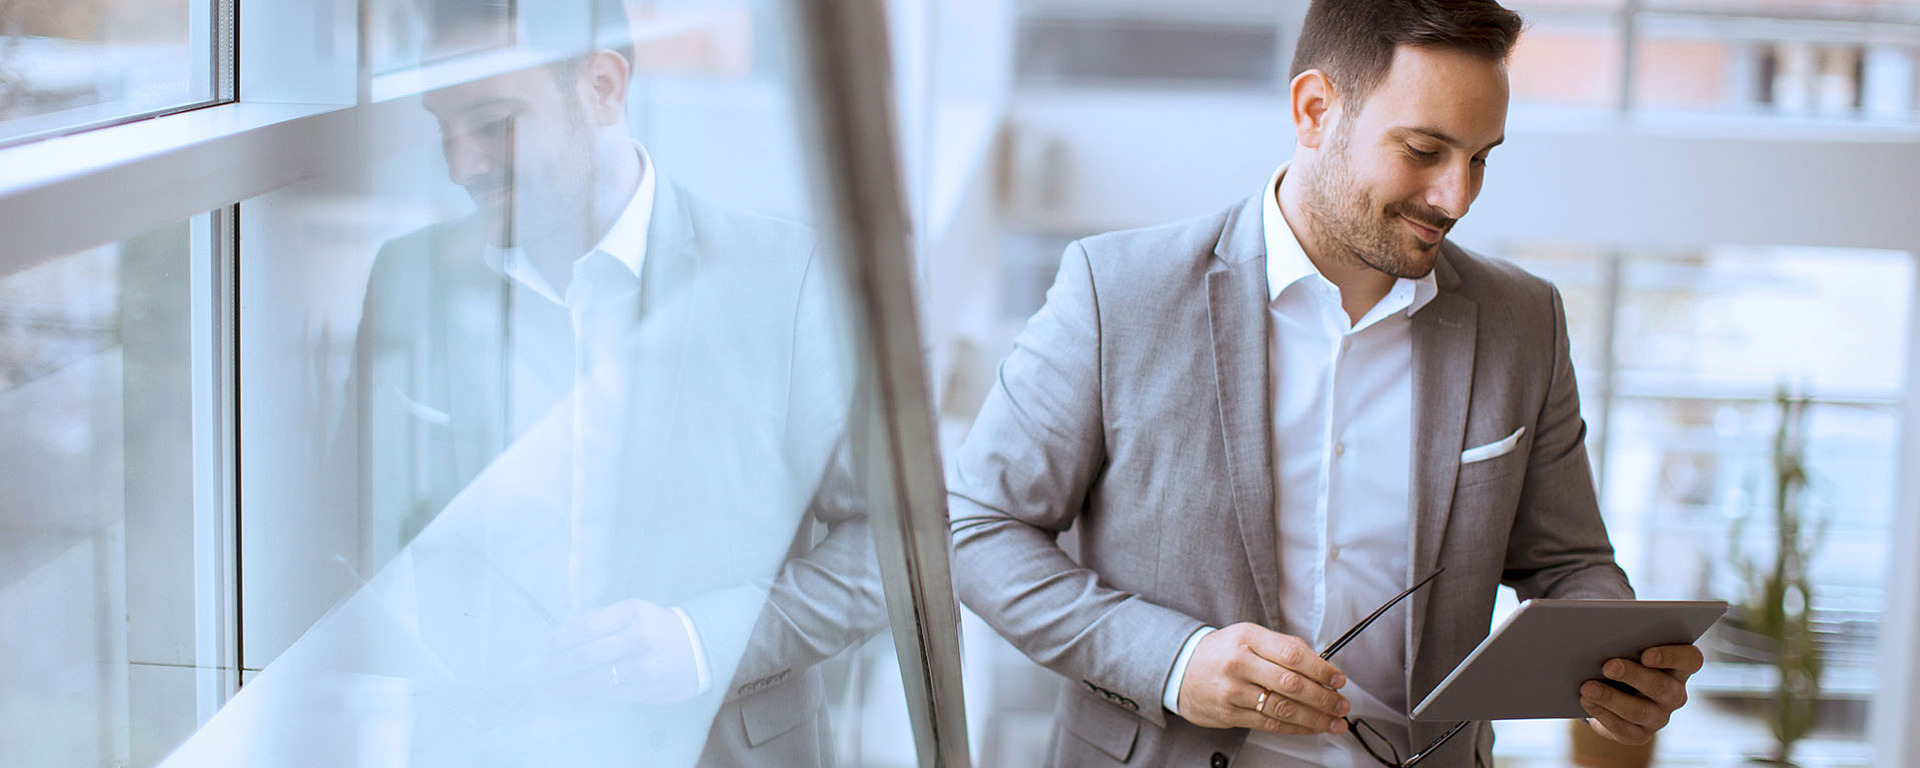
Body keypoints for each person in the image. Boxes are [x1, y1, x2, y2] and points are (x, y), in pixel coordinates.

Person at [948, 1, 1703, 766]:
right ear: (1314, 110)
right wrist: (1175, 661)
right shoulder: (1119, 292)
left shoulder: (1524, 321)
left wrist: (1618, 663)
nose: (1457, 197)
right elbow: (975, 529)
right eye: (1423, 149)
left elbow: (1571, 563)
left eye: (1479, 158)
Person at [330, 3, 887, 764]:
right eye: (442, 129)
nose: (461, 166)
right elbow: (342, 541)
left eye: (493, 125)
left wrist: (702, 641)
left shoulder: (785, 281)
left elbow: (894, 548)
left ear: (602, 87)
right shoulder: (407, 278)